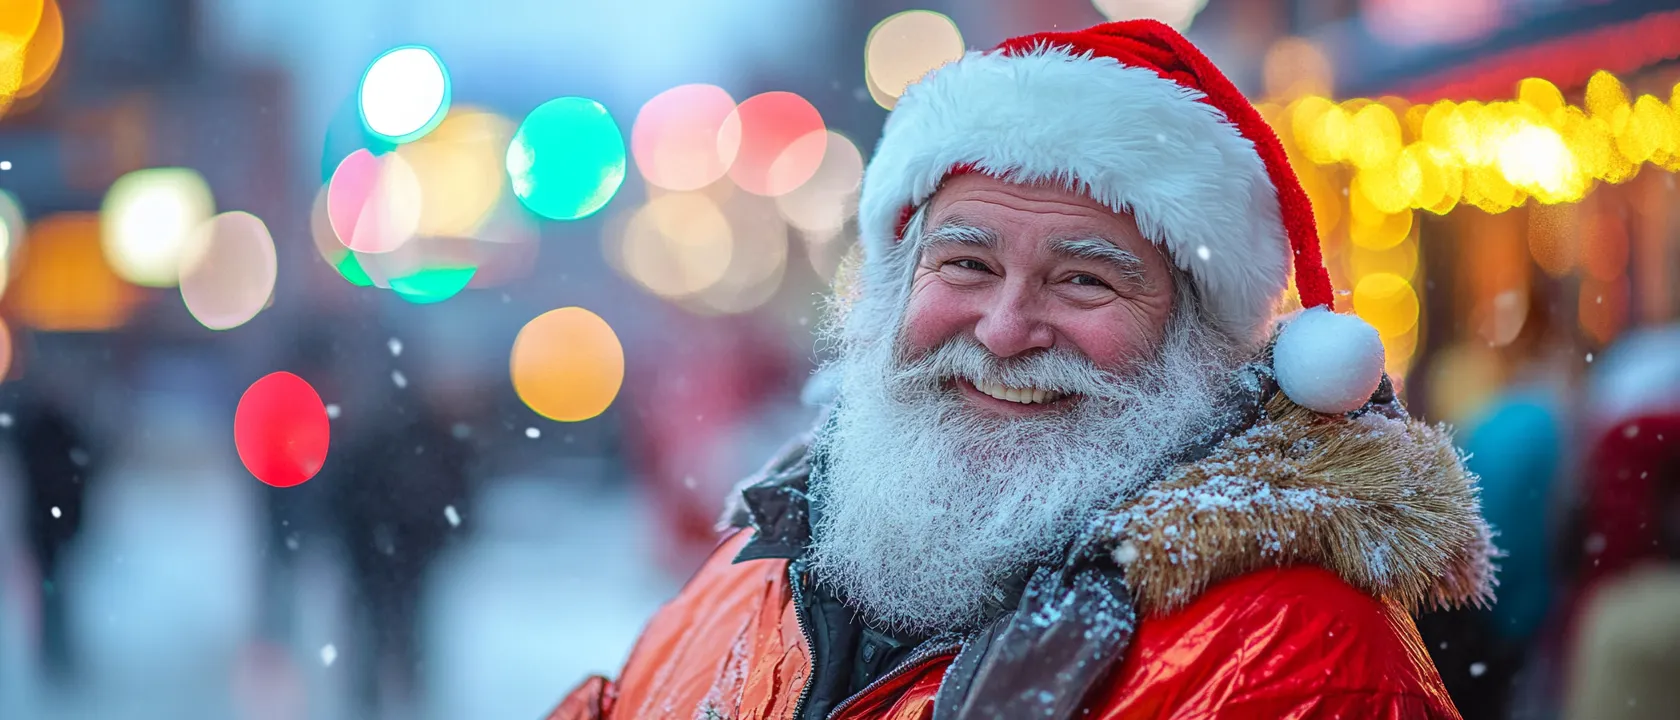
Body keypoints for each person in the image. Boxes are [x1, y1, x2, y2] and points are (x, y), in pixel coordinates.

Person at [548, 20, 1494, 719]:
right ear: (892, 289)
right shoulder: (754, 564)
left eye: (1083, 280)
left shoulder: (1298, 654)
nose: (1004, 332)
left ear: (1201, 338)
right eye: (966, 264)